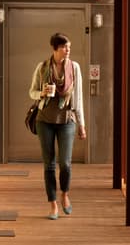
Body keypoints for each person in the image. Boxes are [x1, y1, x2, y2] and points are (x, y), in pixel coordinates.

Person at [29, 32, 87, 220]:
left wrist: (81, 124)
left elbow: (78, 97)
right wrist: (42, 94)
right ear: (55, 49)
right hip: (44, 119)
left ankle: (65, 194)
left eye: (69, 47)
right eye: (64, 47)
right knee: (49, 165)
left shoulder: (75, 68)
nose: (67, 50)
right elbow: (32, 92)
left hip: (67, 120)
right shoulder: (42, 67)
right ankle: (53, 204)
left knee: (66, 164)